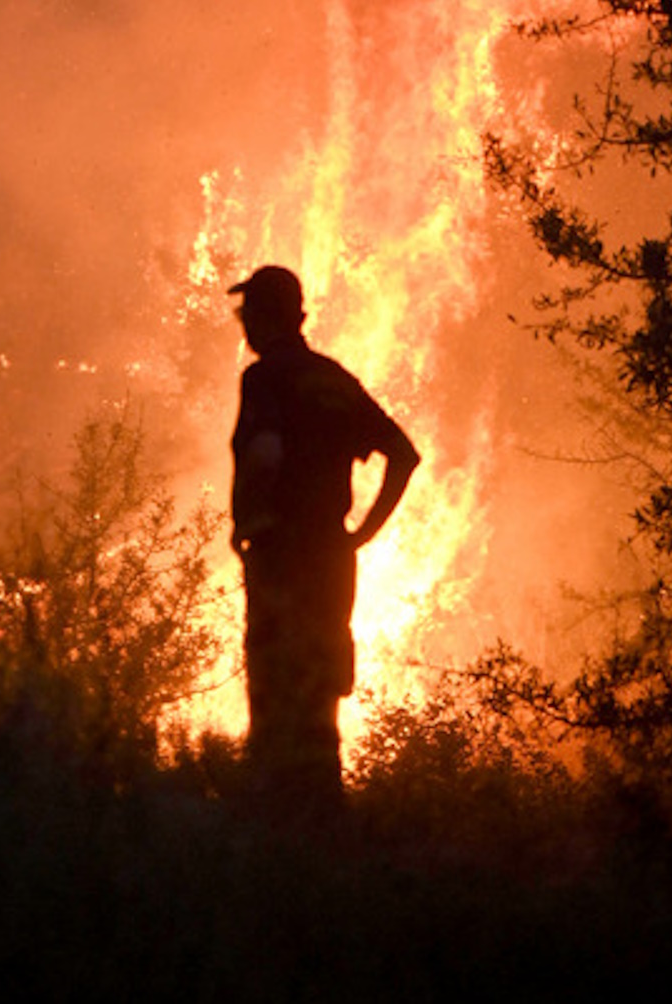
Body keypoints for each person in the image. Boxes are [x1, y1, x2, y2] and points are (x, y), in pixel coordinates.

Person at [228, 264, 420, 812]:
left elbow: (264, 452)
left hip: (282, 556)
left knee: (275, 690)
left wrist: (251, 525)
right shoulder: (334, 380)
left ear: (270, 318)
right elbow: (403, 454)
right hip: (333, 561)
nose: (244, 326)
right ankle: (324, 821)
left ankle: (276, 824)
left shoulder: (264, 378)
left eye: (249, 314)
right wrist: (361, 534)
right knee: (321, 691)